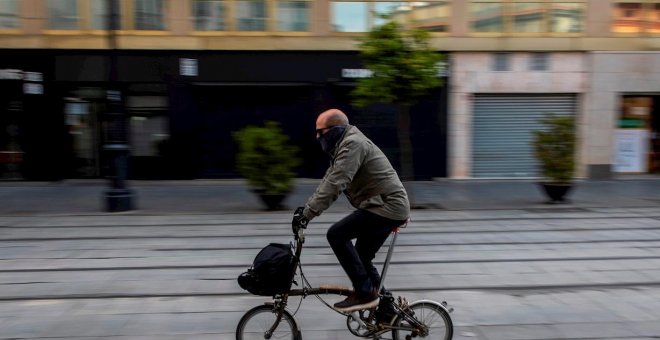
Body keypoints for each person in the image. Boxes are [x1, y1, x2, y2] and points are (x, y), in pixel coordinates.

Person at [292, 108, 410, 313]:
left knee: (336, 234)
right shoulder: (344, 145)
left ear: (336, 129)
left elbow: (337, 183)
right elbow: (329, 180)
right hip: (383, 206)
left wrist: (308, 214)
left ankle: (364, 293)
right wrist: (305, 209)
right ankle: (386, 311)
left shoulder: (353, 144)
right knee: (362, 257)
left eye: (321, 132)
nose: (317, 136)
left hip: (386, 207)